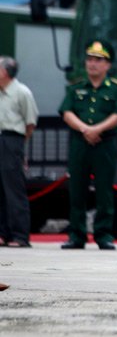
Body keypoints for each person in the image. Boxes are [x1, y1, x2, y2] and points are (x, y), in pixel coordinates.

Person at [59, 42, 117, 250]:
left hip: (104, 144)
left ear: (107, 64)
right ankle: (77, 235)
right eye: (89, 59)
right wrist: (85, 130)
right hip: (80, 143)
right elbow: (67, 112)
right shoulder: (76, 87)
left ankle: (103, 234)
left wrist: (97, 129)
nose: (92, 64)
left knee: (104, 191)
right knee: (76, 189)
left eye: (98, 60)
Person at [0, 56, 38, 248]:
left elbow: (30, 123)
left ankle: (19, 235)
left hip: (12, 139)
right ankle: (1, 232)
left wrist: (19, 146)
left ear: (5, 72)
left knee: (14, 189)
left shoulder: (22, 92)